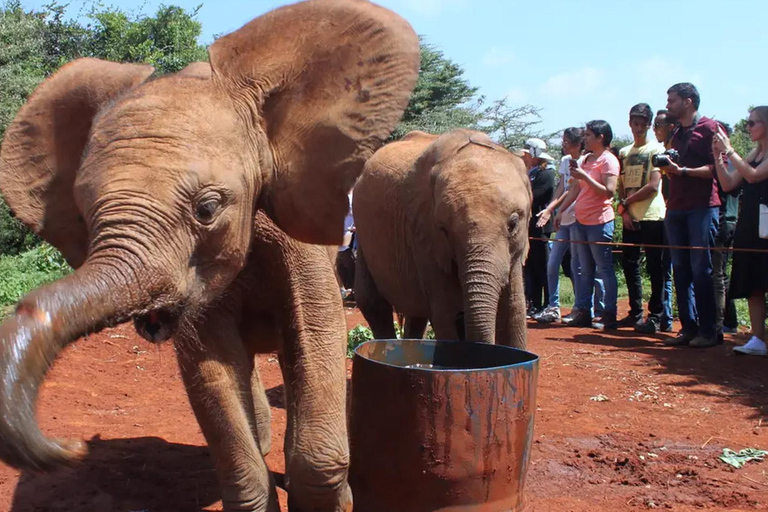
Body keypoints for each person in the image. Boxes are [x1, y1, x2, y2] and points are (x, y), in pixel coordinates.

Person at [660, 83, 720, 348]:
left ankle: (709, 331)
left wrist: (683, 171)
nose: (668, 105)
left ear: (688, 101)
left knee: (701, 269)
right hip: (676, 207)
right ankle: (688, 328)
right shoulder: (675, 132)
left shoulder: (710, 128)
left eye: (672, 100)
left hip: (702, 207)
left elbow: (718, 168)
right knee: (681, 269)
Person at [712, 106, 768, 356]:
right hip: (751, 222)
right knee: (754, 279)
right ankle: (758, 339)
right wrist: (718, 156)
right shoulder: (755, 151)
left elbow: (754, 176)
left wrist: (730, 151)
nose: (748, 127)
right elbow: (729, 183)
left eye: (752, 123)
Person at [555, 120, 620, 330]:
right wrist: (561, 210)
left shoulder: (609, 161)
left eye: (589, 135)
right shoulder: (585, 159)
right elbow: (575, 189)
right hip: (580, 221)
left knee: (603, 268)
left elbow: (609, 191)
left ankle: (609, 314)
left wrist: (585, 177)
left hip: (599, 222)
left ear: (601, 137)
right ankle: (583, 311)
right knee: (583, 269)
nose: (586, 139)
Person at [617, 104, 673, 334]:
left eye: (643, 124)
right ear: (629, 123)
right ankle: (635, 312)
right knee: (630, 265)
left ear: (649, 125)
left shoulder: (656, 149)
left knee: (655, 267)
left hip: (652, 215)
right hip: (631, 217)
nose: (638, 128)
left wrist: (627, 203)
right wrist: (624, 211)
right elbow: (621, 186)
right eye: (635, 123)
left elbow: (652, 186)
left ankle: (657, 316)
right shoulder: (624, 152)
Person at [534, 128, 583, 323]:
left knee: (578, 266)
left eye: (567, 142)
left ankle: (584, 307)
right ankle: (553, 306)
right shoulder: (565, 162)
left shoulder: (585, 161)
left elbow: (574, 190)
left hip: (580, 218)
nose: (564, 145)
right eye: (563, 141)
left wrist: (554, 209)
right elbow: (562, 188)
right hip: (564, 219)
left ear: (578, 144)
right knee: (553, 263)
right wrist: (553, 210)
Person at [519, 138, 556, 317]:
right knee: (530, 266)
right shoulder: (530, 173)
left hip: (540, 227)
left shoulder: (546, 174)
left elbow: (536, 197)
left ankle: (548, 304)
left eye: (527, 153)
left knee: (542, 266)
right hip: (529, 227)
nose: (524, 156)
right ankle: (533, 303)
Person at [712, 123, 741, 340]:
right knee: (720, 272)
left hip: (725, 220)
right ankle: (728, 321)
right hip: (725, 220)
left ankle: (722, 322)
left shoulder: (729, 161)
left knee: (718, 273)